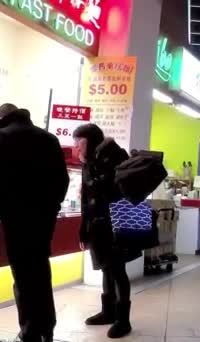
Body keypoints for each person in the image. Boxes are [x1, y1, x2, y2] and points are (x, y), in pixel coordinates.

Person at [0, 104, 69, 342]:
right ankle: (47, 327)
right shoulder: (49, 138)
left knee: (23, 274)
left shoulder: (3, 137)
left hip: (16, 217)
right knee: (40, 270)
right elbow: (63, 179)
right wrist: (52, 206)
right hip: (44, 218)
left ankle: (29, 329)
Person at [74, 124, 139, 339]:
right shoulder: (90, 160)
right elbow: (85, 197)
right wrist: (83, 228)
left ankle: (123, 319)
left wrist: (92, 174)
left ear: (91, 141)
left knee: (117, 269)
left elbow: (111, 191)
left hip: (116, 223)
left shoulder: (114, 156)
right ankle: (108, 311)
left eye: (80, 142)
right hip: (97, 223)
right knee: (106, 268)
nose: (77, 146)